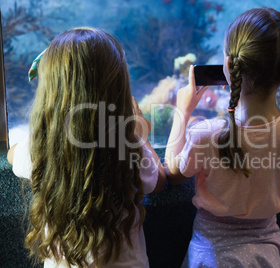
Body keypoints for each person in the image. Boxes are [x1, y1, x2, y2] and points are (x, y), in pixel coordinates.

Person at [164, 7, 280, 268]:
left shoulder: (206, 134)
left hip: (212, 256)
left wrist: (181, 111)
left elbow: (174, 173)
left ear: (229, 65)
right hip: (267, 255)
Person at [7, 27, 166, 267]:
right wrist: (139, 132)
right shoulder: (130, 146)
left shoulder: (38, 148)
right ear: (119, 89)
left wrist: (41, 130)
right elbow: (158, 181)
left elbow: (12, 155)